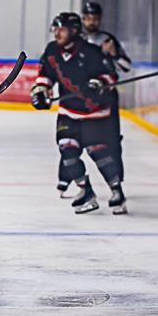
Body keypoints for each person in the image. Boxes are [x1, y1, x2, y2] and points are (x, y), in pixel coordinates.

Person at [29, 12, 126, 214]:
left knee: (98, 152)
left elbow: (111, 75)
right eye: (55, 29)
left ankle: (117, 192)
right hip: (68, 112)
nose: (57, 33)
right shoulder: (52, 50)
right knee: (67, 151)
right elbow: (45, 76)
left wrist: (99, 83)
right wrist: (40, 91)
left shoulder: (90, 52)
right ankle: (86, 191)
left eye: (61, 29)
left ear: (73, 31)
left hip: (94, 112)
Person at [81, 1, 129, 186]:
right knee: (77, 139)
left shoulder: (108, 40)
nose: (92, 22)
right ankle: (74, 179)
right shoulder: (76, 41)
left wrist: (115, 54)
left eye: (95, 18)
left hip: (107, 96)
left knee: (112, 139)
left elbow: (126, 67)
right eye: (89, 18)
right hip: (84, 97)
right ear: (83, 19)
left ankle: (117, 179)